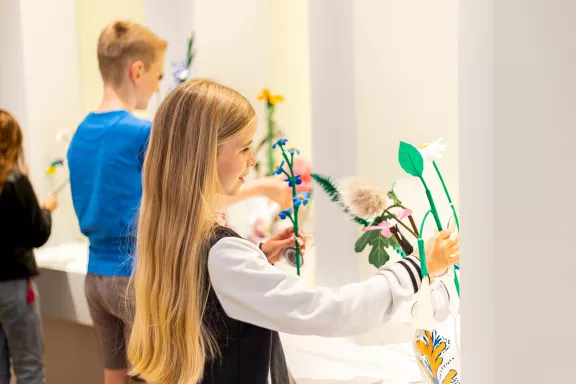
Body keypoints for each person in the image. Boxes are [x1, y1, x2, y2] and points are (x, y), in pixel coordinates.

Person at [127, 79, 460, 384]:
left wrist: (256, 259)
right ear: (204, 156)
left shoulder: (174, 236)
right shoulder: (222, 253)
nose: (252, 163)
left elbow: (214, 296)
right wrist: (417, 267)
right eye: (243, 149)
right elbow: (326, 311)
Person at [67, 20, 292, 384]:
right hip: (136, 275)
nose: (158, 88)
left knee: (115, 374)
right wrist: (264, 186)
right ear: (136, 71)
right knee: (159, 371)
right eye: (157, 78)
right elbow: (189, 190)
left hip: (95, 277)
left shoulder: (81, 133)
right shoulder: (142, 132)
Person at [0, 109, 59, 384]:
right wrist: (46, 210)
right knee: (29, 368)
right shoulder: (16, 182)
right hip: (14, 287)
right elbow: (37, 234)